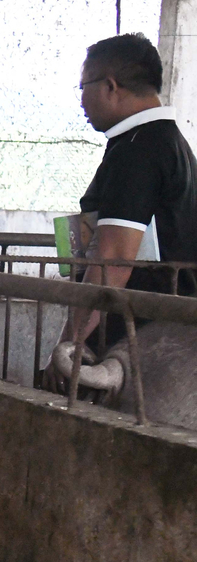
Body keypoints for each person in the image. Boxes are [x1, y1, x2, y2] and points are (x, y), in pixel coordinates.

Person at [56, 35, 197, 371]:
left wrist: (69, 345)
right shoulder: (170, 142)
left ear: (110, 86)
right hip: (170, 334)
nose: (81, 102)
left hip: (139, 343)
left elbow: (113, 260)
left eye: (82, 88)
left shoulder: (138, 150)